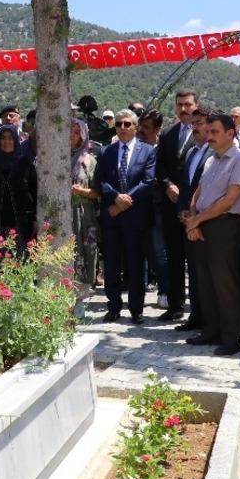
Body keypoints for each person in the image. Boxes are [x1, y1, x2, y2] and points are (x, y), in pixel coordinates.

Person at [183, 114, 240, 355]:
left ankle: (232, 338)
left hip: (224, 226)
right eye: (208, 132)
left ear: (230, 134)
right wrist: (193, 220)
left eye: (214, 132)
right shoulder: (211, 160)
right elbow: (197, 194)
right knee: (205, 282)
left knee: (225, 284)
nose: (209, 136)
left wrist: (196, 221)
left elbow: (230, 199)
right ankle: (211, 330)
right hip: (202, 224)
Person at [93, 109, 156, 324]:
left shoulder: (148, 151)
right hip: (111, 218)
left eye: (127, 124)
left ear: (136, 127)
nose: (122, 127)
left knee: (136, 264)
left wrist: (123, 202)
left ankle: (136, 309)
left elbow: (148, 182)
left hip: (135, 217)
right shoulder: (106, 152)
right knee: (111, 264)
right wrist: (114, 197)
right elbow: (99, 181)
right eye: (118, 124)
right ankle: (113, 307)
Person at [155, 89, 198, 322]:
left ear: (196, 105)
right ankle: (175, 304)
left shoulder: (203, 134)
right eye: (180, 104)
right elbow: (159, 166)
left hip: (194, 206)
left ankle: (198, 308)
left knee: (195, 258)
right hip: (171, 204)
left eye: (188, 104)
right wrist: (167, 185)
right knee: (173, 256)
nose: (183, 109)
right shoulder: (169, 134)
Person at [176, 105, 213, 332]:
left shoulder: (214, 152)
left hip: (207, 221)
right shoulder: (191, 152)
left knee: (207, 273)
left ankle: (209, 319)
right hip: (189, 219)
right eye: (193, 123)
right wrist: (182, 210)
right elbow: (185, 186)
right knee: (195, 273)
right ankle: (196, 315)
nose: (195, 127)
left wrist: (196, 215)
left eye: (200, 123)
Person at [138, 109, 169, 304]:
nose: (141, 130)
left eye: (146, 127)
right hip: (139, 205)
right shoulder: (137, 148)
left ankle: (165, 290)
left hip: (158, 205)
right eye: (140, 125)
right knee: (143, 251)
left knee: (159, 251)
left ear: (157, 129)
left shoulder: (163, 149)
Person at [0, 125, 37, 241]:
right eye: (3, 138)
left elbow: (35, 193)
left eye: (10, 138)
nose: (6, 141)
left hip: (22, 224)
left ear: (15, 140)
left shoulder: (25, 164)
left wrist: (34, 218)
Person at [69, 117, 100, 287]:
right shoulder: (58, 158)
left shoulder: (89, 161)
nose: (72, 136)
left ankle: (83, 293)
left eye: (76, 132)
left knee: (87, 250)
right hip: (64, 214)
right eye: (69, 131)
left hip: (84, 214)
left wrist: (82, 191)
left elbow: (98, 192)